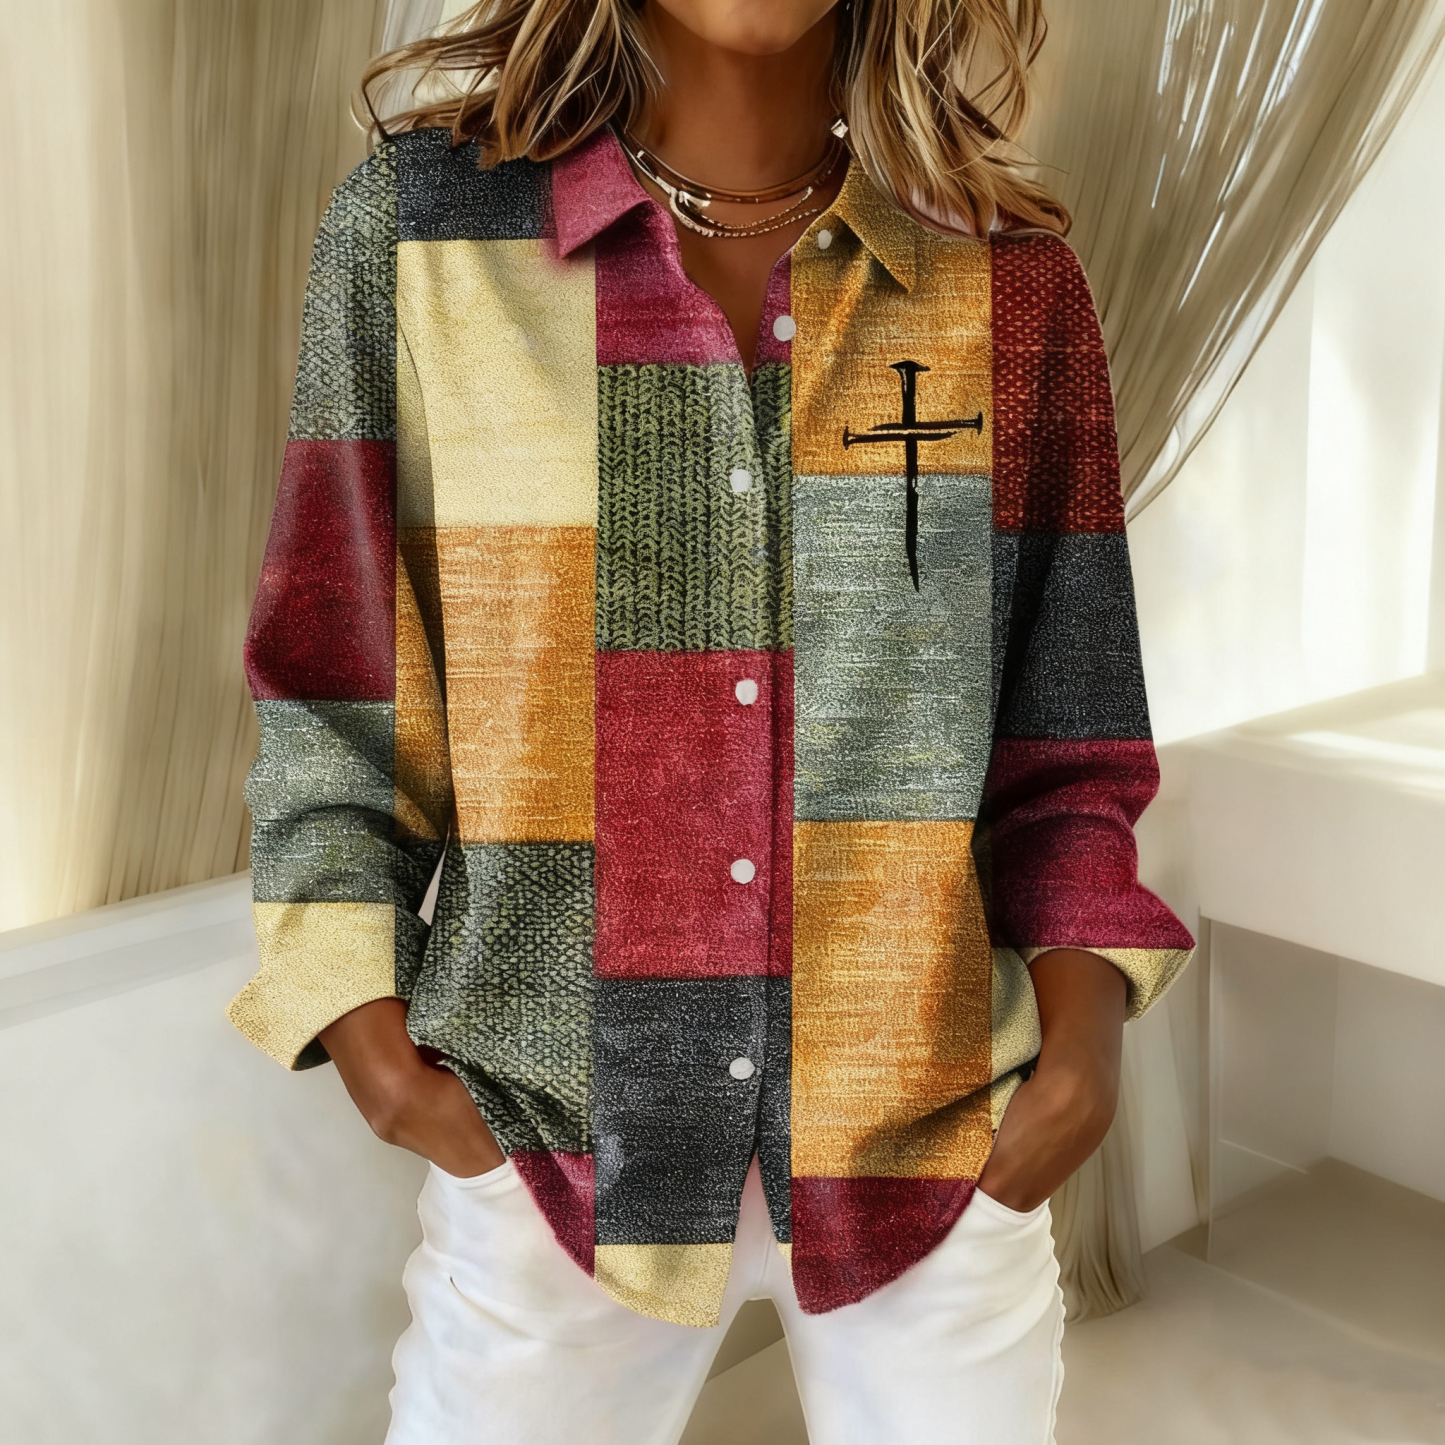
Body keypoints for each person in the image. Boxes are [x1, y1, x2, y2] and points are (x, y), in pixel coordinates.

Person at [229, 0, 1194, 1440]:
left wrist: (1083, 1052)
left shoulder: (1005, 282)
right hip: (551, 1144)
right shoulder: (420, 238)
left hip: (934, 1143)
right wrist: (368, 1032)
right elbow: (335, 676)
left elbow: (1068, 735)